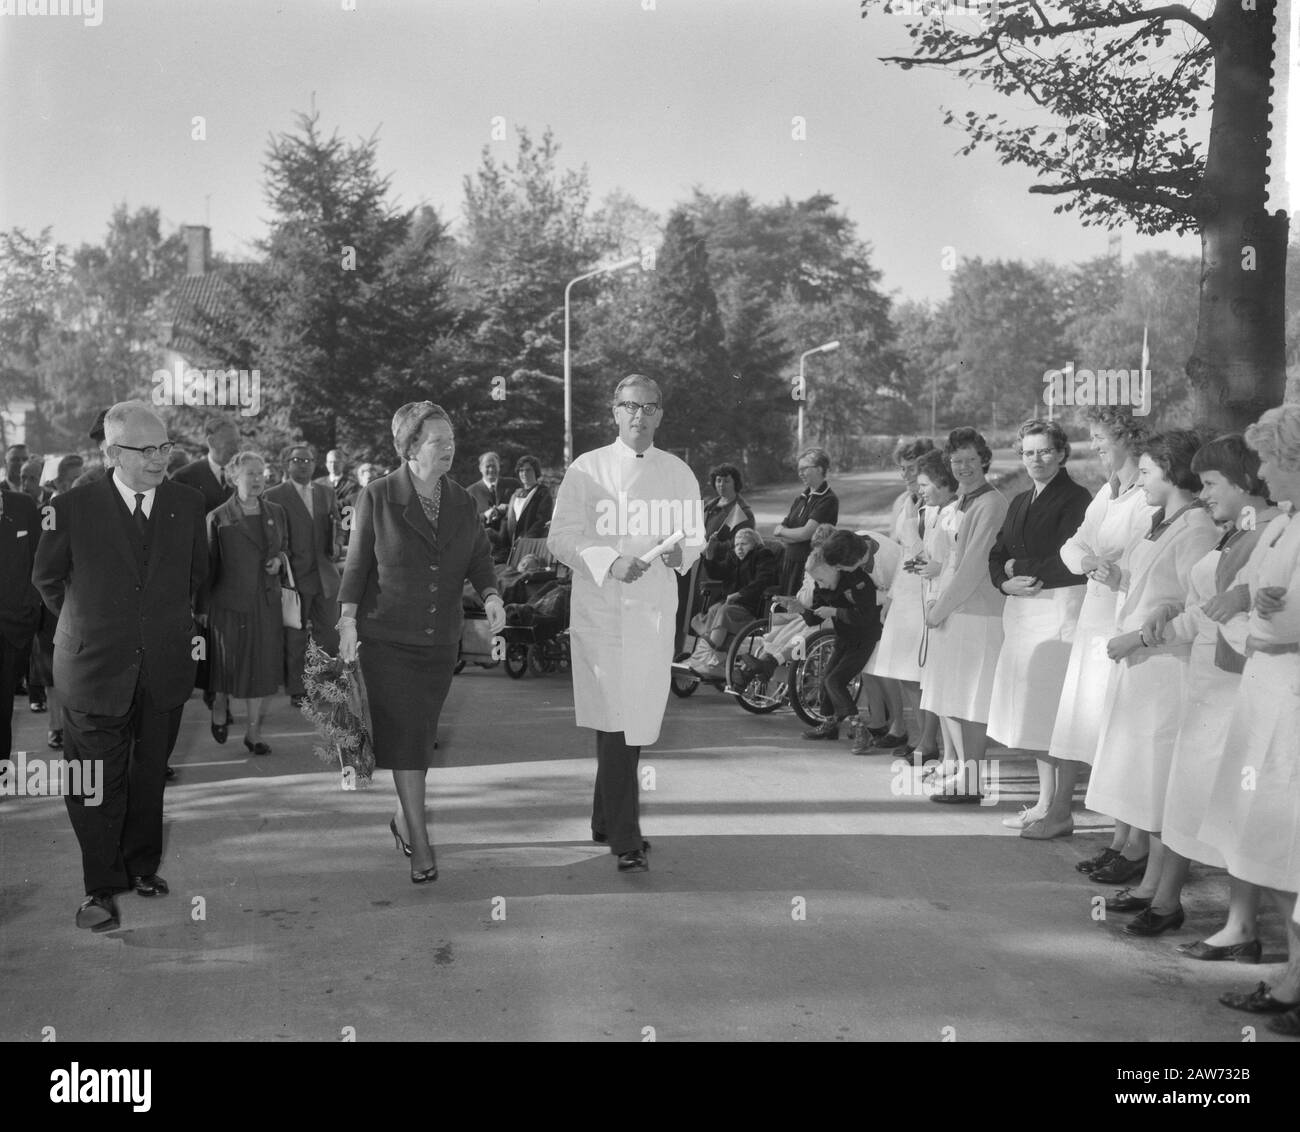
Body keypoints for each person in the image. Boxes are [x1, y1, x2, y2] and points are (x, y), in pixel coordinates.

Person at [32, 400, 207, 932]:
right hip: (92, 669)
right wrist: (91, 629)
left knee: (148, 773)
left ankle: (141, 866)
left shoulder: (189, 503)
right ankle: (100, 889)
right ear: (111, 452)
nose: (159, 459)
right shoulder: (71, 506)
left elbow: (198, 578)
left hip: (165, 666)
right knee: (96, 781)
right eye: (146, 450)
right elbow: (46, 578)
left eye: (165, 447)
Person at [1118, 435, 1278, 943]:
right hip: (1208, 682)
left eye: (1211, 483)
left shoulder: (1268, 532)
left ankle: (1238, 925)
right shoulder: (1234, 532)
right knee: (1189, 800)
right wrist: (1165, 618)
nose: (1202, 492)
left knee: (1231, 808)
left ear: (1244, 482)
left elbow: (1250, 612)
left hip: (1235, 687)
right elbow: (1205, 605)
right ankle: (1175, 904)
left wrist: (1152, 632)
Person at [338, 402, 506, 884]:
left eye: (451, 439)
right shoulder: (378, 495)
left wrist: (491, 594)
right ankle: (421, 841)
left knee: (419, 737)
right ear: (411, 446)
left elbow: (479, 556)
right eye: (438, 440)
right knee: (410, 736)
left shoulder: (461, 501)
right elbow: (356, 566)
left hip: (438, 641)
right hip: (387, 637)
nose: (449, 447)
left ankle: (400, 817)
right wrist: (347, 620)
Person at [548, 374, 704, 873]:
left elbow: (695, 538)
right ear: (614, 412)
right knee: (617, 717)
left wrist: (682, 551)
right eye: (630, 406)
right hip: (604, 609)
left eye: (650, 407)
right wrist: (609, 560)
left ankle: (604, 818)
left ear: (661, 415)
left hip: (653, 610)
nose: (640, 415)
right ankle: (625, 836)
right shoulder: (586, 468)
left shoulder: (678, 472)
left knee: (631, 716)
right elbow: (560, 537)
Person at [1084, 430, 1218, 916]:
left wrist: (1139, 637)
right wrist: (1120, 581)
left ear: (1171, 470)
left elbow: (1196, 609)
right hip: (1142, 672)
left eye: (1146, 471)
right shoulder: (1165, 522)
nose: (1138, 480)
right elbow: (1158, 592)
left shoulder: (1198, 527)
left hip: (1167, 673)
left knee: (1162, 788)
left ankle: (1166, 898)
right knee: (1146, 786)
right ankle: (1150, 889)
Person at [1199, 405, 1300, 1028]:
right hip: (1269, 693)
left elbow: (1282, 621)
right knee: (1272, 843)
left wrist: (1257, 614)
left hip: (1288, 699)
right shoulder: (1285, 525)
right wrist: (1253, 605)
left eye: (1267, 458)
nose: (1260, 470)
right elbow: (1266, 603)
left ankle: (1295, 982)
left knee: (1288, 846)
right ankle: (1291, 976)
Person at [1018, 408, 1155, 855]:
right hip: (1093, 624)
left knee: (1118, 733)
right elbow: (1072, 545)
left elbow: (1147, 562)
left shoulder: (1146, 497)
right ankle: (1109, 836)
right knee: (1088, 726)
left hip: (1122, 620)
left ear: (1127, 440)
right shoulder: (1107, 494)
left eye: (1100, 438)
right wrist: (1089, 561)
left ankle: (1128, 842)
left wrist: (1116, 572)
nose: (1095, 446)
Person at [985, 419, 1090, 831]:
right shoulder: (1019, 500)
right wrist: (1003, 579)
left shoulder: (1076, 499)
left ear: (1061, 453)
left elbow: (1072, 563)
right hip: (1024, 613)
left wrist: (1019, 567)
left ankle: (1061, 810)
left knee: (1055, 713)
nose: (1036, 459)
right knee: (1032, 712)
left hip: (1058, 614)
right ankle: (1043, 802)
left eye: (1045, 451)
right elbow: (996, 554)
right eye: (1028, 452)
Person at [919, 428, 1009, 803]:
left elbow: (973, 567)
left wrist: (938, 609)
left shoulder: (991, 503)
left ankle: (972, 782)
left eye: (971, 460)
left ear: (984, 460)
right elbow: (949, 564)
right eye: (957, 461)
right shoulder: (961, 503)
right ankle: (962, 775)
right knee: (953, 698)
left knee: (971, 700)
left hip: (978, 613)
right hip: (957, 611)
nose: (964, 467)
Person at [200, 452, 288, 755]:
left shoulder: (276, 511)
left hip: (265, 603)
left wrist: (278, 560)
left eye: (261, 473)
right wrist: (201, 608)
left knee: (260, 670)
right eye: (250, 473)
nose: (257, 479)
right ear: (234, 478)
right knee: (229, 666)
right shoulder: (218, 517)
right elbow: (207, 568)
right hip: (229, 606)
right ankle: (220, 702)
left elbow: (283, 549)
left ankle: (253, 734)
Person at [859, 438, 935, 755]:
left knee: (922, 675)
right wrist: (891, 596)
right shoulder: (903, 501)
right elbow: (902, 551)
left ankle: (928, 741)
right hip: (904, 592)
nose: (906, 474)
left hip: (928, 591)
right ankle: (916, 736)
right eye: (902, 468)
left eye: (913, 467)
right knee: (905, 673)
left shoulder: (940, 500)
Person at [893, 448, 958, 764]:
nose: (918, 489)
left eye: (923, 483)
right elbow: (926, 559)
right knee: (923, 678)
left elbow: (947, 561)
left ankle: (944, 754)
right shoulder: (930, 510)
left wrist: (929, 563)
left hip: (942, 606)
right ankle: (935, 749)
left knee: (940, 683)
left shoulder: (952, 513)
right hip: (923, 601)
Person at [266, 444, 342, 708]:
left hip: (326, 576)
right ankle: (298, 689)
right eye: (297, 460)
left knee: (330, 635)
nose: (304, 464)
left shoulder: (326, 492)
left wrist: (338, 544)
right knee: (295, 637)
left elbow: (336, 528)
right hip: (294, 577)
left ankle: (326, 684)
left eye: (309, 460)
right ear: (286, 463)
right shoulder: (274, 495)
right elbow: (271, 536)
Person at [800, 530, 882, 741]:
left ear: (833, 569)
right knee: (826, 679)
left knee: (835, 681)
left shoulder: (859, 582)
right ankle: (830, 724)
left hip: (864, 639)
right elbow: (813, 619)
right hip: (843, 639)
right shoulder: (823, 585)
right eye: (815, 580)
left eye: (820, 578)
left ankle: (858, 728)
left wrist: (836, 612)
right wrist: (801, 608)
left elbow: (866, 616)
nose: (819, 583)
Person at [686, 527, 779, 679]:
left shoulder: (763, 555)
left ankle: (705, 660)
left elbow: (763, 581)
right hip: (730, 604)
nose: (739, 548)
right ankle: (708, 659)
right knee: (715, 609)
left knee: (724, 611)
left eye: (744, 544)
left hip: (751, 605)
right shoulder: (733, 557)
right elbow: (717, 573)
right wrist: (709, 556)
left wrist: (740, 594)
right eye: (736, 545)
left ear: (754, 544)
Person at [0, 483, 41, 757]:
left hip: (13, 627)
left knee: (3, 709)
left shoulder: (23, 505)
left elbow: (43, 558)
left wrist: (29, 606)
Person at [775, 448, 838, 596]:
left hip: (810, 567)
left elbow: (806, 533)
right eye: (799, 469)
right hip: (790, 563)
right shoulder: (801, 498)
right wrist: (788, 533)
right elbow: (784, 534)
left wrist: (783, 531)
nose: (800, 473)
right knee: (786, 609)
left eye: (804, 468)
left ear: (820, 469)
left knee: (801, 609)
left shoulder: (828, 499)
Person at [172, 415, 239, 514]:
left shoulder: (244, 474)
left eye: (237, 442)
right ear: (211, 442)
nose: (236, 448)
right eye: (229, 443)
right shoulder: (184, 478)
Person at [466, 451, 520, 564]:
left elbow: (525, 507)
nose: (491, 470)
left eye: (494, 466)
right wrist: (485, 515)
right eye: (487, 466)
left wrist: (509, 507)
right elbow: (466, 520)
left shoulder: (513, 485)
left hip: (512, 546)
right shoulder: (470, 492)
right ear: (480, 468)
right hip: (485, 549)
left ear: (499, 467)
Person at [504, 455, 554, 549]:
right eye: (521, 470)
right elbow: (508, 520)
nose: (524, 473)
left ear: (536, 471)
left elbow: (542, 519)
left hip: (532, 544)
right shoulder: (515, 494)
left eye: (528, 470)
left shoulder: (543, 493)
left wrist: (526, 539)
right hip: (513, 545)